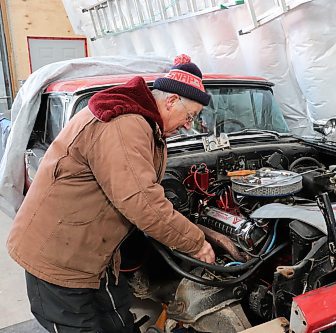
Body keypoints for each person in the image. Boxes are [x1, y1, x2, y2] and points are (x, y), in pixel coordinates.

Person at [7, 54, 215, 333]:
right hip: (59, 261)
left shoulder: (144, 122)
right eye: (190, 116)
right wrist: (196, 243)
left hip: (95, 257)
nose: (189, 125)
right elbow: (144, 203)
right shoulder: (124, 124)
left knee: (119, 322)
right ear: (171, 101)